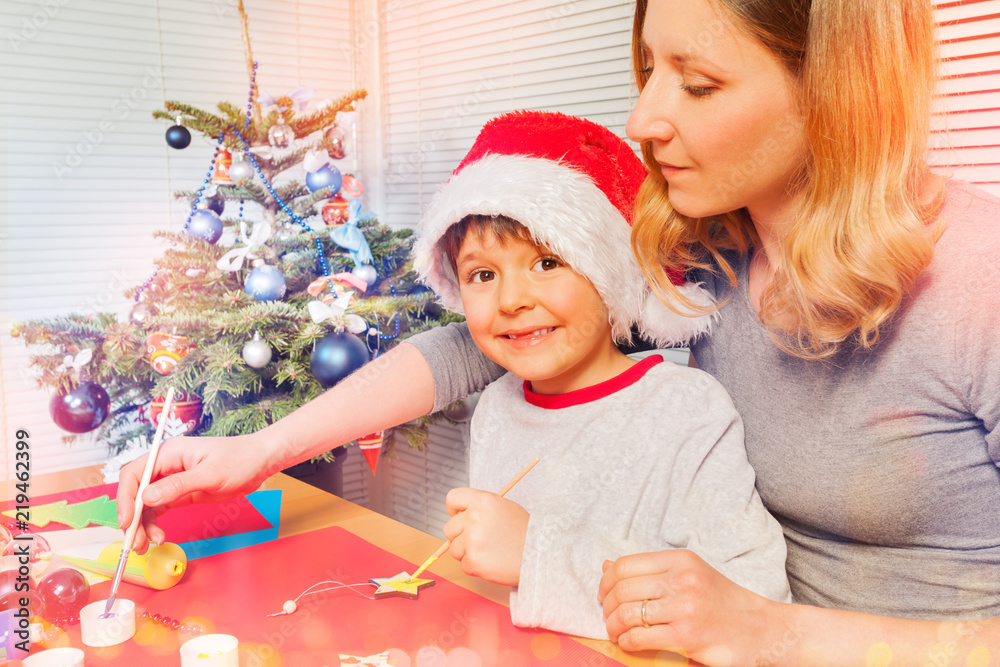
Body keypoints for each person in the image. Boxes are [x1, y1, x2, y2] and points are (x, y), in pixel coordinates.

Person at [117, 0, 1000, 663]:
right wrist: (259, 449)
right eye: (648, 70)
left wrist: (767, 626)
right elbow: (474, 344)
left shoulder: (980, 278)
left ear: (835, 89)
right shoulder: (704, 253)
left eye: (698, 83)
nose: (645, 119)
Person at [409, 110, 790, 639]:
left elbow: (754, 596)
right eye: (483, 274)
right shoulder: (496, 409)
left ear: (610, 272)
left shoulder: (685, 412)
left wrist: (534, 555)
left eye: (547, 263)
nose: (512, 300)